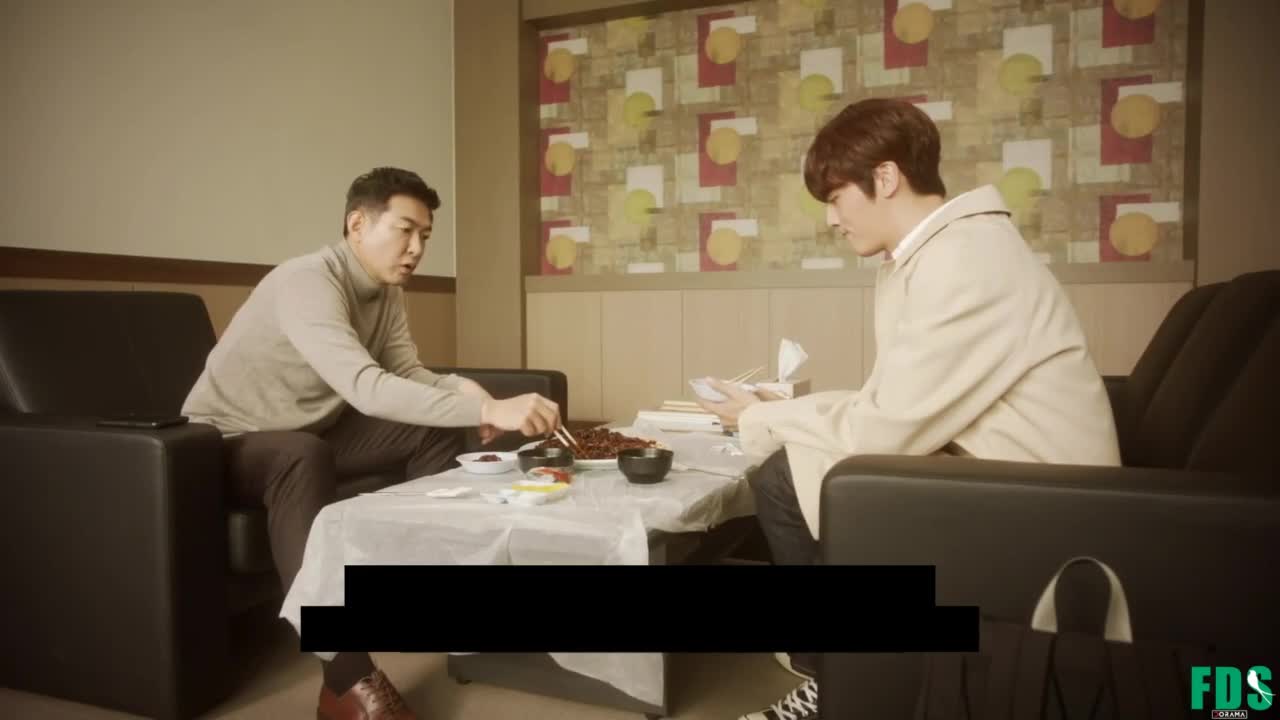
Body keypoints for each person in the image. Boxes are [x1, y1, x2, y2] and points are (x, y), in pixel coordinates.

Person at [695, 99, 1122, 720]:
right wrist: (779, 412)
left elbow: (886, 429)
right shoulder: (940, 252)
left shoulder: (965, 259)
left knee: (785, 478)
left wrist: (765, 419)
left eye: (836, 197)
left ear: (886, 177)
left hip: (1045, 502)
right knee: (795, 466)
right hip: (1003, 471)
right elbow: (893, 402)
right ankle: (838, 672)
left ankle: (836, 682)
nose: (832, 219)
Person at [182, 167, 562, 720]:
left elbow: (407, 372)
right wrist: (486, 411)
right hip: (224, 441)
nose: (416, 249)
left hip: (309, 428)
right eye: (405, 230)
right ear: (357, 224)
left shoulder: (386, 292)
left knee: (430, 426)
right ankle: (344, 677)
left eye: (425, 236)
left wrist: (468, 392)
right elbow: (365, 386)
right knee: (300, 456)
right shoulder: (306, 281)